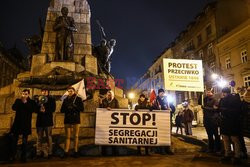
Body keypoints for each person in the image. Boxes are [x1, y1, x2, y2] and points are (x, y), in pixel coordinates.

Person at [9, 89, 38, 162]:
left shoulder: (31, 102)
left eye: (25, 94)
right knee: (14, 141)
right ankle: (13, 156)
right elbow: (13, 108)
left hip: (26, 124)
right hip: (17, 123)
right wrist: (21, 102)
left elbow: (34, 110)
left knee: (24, 142)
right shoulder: (18, 100)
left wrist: (26, 103)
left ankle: (23, 157)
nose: (23, 95)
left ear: (28, 94)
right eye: (23, 93)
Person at [218, 87, 242, 164]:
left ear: (225, 92)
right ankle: (232, 155)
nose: (223, 94)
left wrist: (222, 109)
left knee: (231, 139)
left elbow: (235, 110)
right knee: (229, 139)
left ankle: (234, 155)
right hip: (229, 122)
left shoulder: (232, 99)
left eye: (223, 93)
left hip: (230, 122)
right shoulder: (228, 99)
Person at [60, 87, 84, 158]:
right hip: (68, 119)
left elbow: (82, 109)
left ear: (74, 91)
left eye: (71, 91)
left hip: (75, 119)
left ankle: (76, 151)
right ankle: (66, 151)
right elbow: (62, 110)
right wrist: (67, 108)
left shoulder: (78, 99)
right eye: (69, 91)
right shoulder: (65, 100)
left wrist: (75, 106)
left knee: (76, 136)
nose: (70, 92)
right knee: (67, 136)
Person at [152, 88, 175, 155]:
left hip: (167, 120)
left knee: (168, 135)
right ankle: (162, 149)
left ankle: (168, 149)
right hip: (160, 120)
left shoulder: (167, 100)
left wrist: (171, 109)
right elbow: (153, 107)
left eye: (163, 92)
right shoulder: (156, 100)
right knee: (161, 134)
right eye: (161, 92)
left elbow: (172, 107)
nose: (162, 94)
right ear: (158, 93)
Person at [35, 89, 56, 159]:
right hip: (40, 122)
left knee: (49, 138)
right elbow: (34, 109)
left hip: (48, 121)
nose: (44, 92)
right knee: (39, 138)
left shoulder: (52, 99)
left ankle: (50, 153)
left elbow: (53, 109)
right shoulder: (38, 99)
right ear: (41, 92)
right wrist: (39, 110)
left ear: (48, 92)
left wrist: (45, 110)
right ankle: (38, 153)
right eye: (43, 91)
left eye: (45, 91)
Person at [99, 90, 119, 156]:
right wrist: (101, 104)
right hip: (104, 121)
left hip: (113, 122)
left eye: (110, 95)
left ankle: (114, 152)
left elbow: (118, 109)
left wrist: (112, 109)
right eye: (108, 94)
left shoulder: (115, 101)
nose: (108, 96)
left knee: (113, 137)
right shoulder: (103, 100)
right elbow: (100, 109)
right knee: (104, 136)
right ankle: (103, 152)